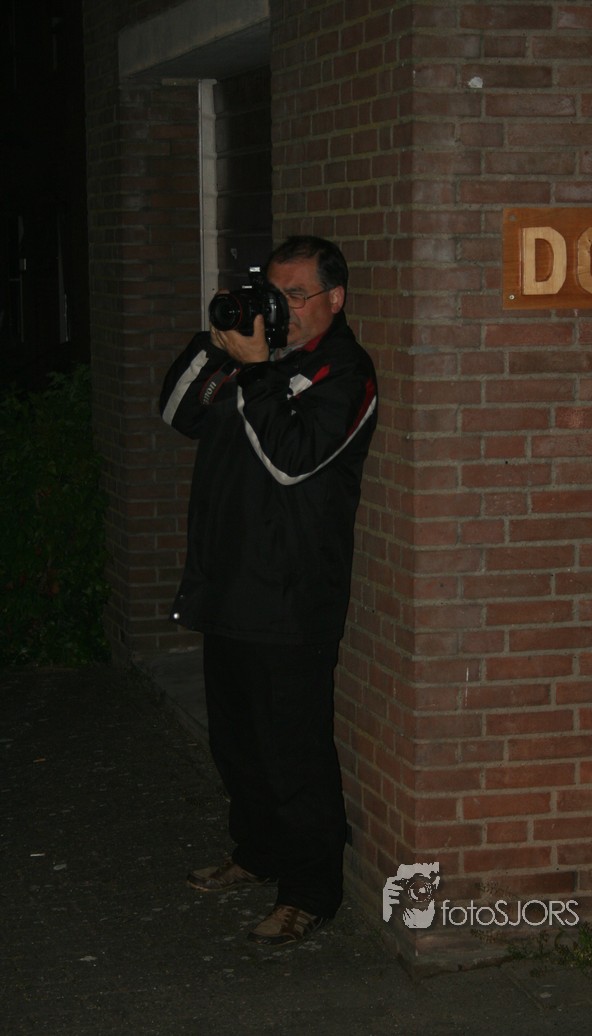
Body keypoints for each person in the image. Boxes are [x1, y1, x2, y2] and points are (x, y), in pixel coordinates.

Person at [159, 235, 377, 947]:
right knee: (238, 744)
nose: (281, 308)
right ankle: (256, 852)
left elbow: (292, 461)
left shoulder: (344, 372)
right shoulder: (257, 357)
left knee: (293, 755)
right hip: (229, 583)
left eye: (295, 294)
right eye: (272, 293)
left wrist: (255, 371)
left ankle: (310, 892)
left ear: (334, 298)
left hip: (291, 597)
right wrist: (217, 341)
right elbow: (178, 414)